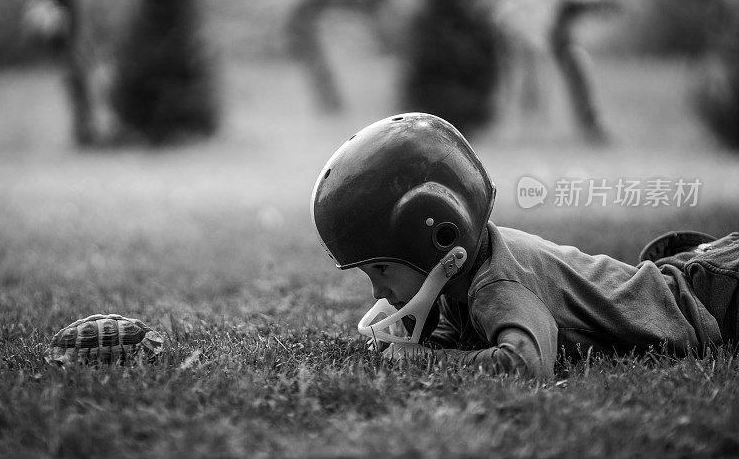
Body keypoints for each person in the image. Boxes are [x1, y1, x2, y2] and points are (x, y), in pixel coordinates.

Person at [310, 113, 739, 378]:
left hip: (717, 300)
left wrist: (427, 362)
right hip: (691, 277)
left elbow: (525, 364)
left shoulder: (498, 285)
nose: (377, 293)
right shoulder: (457, 278)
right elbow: (455, 332)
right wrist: (410, 346)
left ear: (436, 236)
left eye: (380, 270)